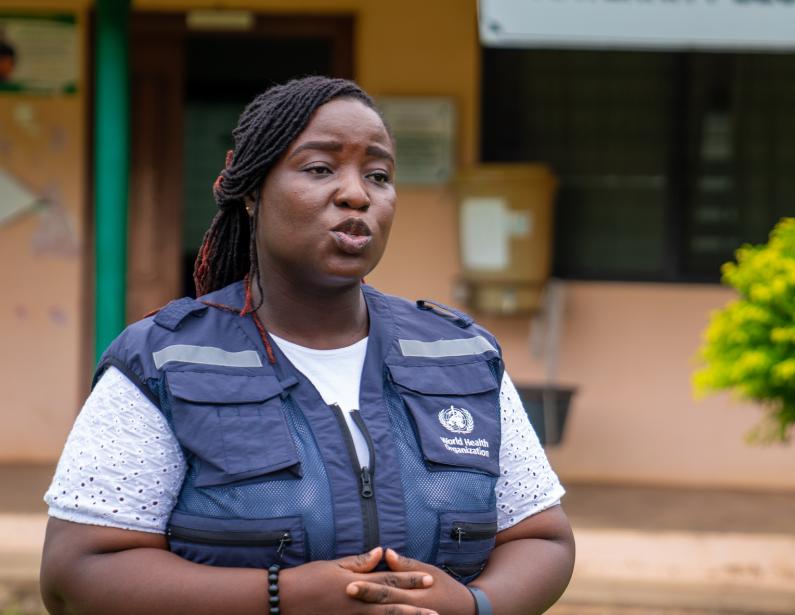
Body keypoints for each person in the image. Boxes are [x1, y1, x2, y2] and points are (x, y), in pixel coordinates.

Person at [40, 76, 574, 615]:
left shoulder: (461, 356)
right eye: (320, 169)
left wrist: (476, 606)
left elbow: (541, 538)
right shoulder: (163, 361)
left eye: (379, 175)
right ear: (252, 192)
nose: (356, 193)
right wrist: (282, 597)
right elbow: (77, 571)